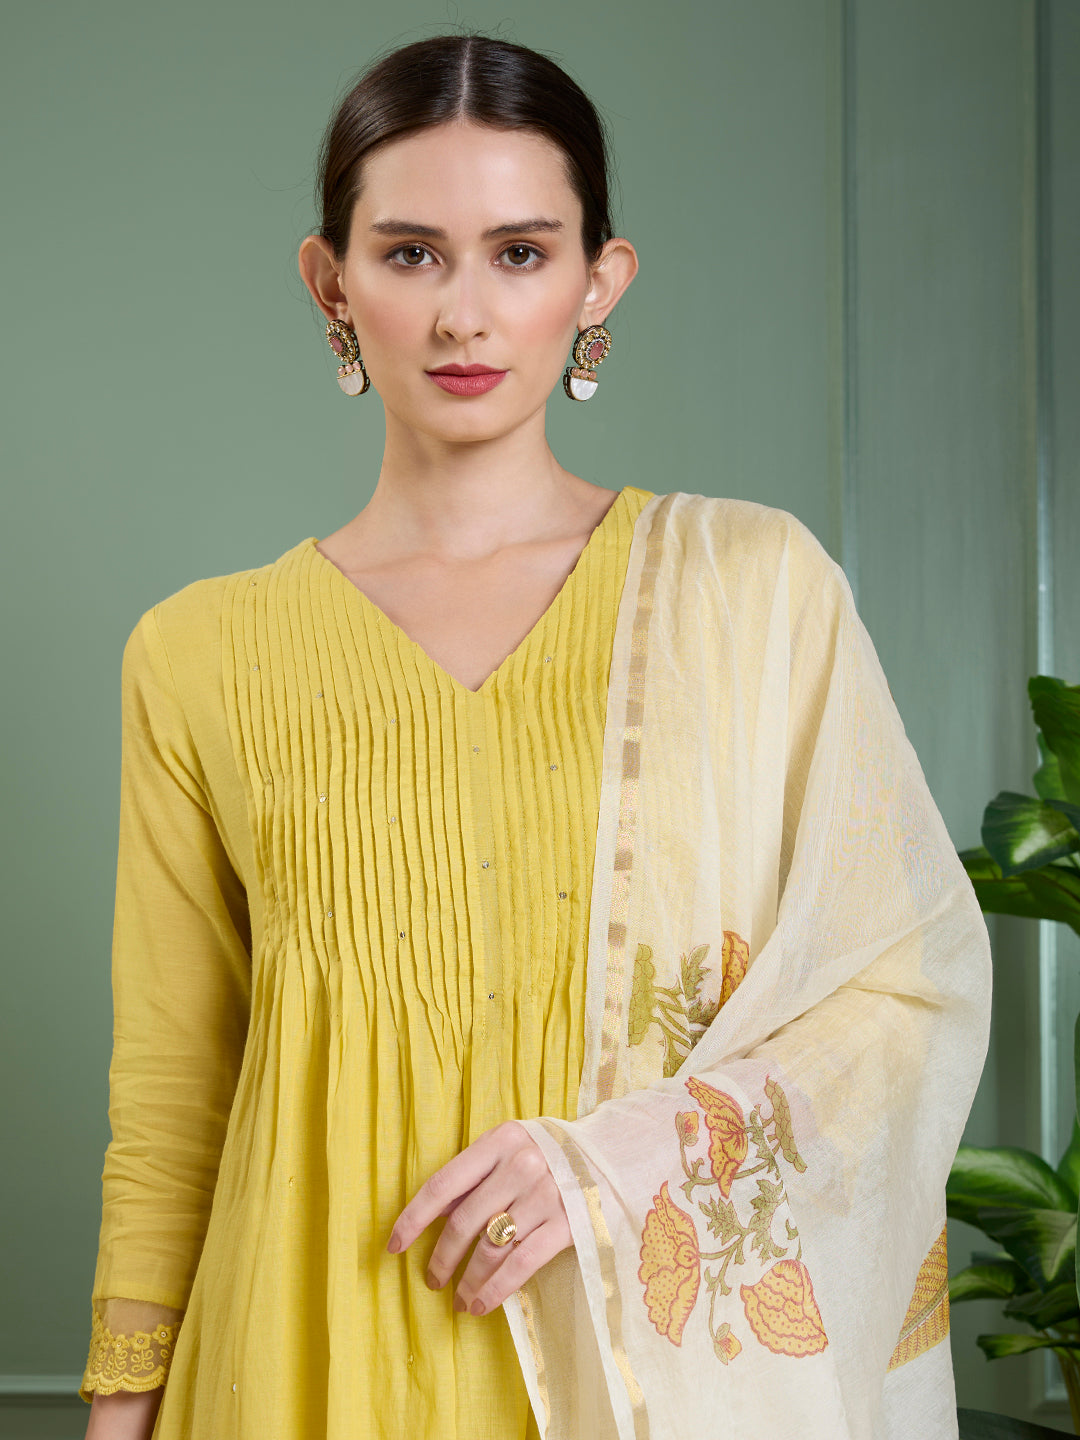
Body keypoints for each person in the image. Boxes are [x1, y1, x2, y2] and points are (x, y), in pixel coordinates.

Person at [79, 31, 991, 1440]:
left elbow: (903, 983)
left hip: (635, 1366)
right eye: (410, 254)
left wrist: (616, 1162)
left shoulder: (750, 592)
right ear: (331, 283)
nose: (464, 314)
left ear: (598, 280)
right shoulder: (200, 652)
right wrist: (123, 1409)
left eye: (519, 253)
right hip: (296, 1355)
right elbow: (174, 1090)